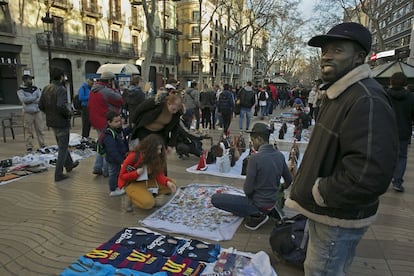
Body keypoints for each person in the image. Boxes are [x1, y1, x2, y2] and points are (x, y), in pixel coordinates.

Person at [285, 22, 399, 275]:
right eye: (325, 50)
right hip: (328, 214)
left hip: (336, 218)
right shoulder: (343, 93)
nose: (326, 55)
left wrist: (320, 192)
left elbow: (369, 174)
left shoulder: (366, 99)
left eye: (337, 50)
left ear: (360, 57)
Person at [211, 122, 292, 230]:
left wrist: (253, 197)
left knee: (216, 199)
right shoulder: (279, 155)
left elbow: (247, 190)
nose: (252, 143)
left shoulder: (255, 159)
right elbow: (289, 179)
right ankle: (263, 211)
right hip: (272, 202)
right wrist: (278, 188)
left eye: (253, 140)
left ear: (259, 139)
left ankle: (257, 215)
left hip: (258, 205)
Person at [39, 68, 79, 182]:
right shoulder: (61, 89)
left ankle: (69, 164)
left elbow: (41, 105)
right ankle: (58, 173)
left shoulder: (46, 88)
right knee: (62, 147)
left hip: (52, 121)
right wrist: (68, 114)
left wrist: (50, 113)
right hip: (61, 121)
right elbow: (61, 105)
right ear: (61, 77)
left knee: (62, 145)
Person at [118, 134, 177, 211]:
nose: (159, 152)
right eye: (157, 149)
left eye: (160, 149)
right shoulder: (134, 156)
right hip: (133, 183)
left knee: (172, 183)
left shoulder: (157, 157)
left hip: (147, 182)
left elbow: (159, 174)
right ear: (149, 148)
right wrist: (136, 173)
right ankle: (131, 197)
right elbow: (122, 176)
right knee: (148, 204)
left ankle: (148, 196)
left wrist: (167, 183)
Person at [88, 71, 124, 176]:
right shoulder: (106, 91)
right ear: (110, 81)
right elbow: (120, 100)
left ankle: (98, 166)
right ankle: (106, 170)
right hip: (106, 120)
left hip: (96, 120)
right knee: (109, 146)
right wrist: (116, 88)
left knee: (101, 143)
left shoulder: (93, 89)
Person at [129, 90, 184, 154]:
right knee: (147, 151)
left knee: (159, 152)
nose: (175, 112)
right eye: (173, 109)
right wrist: (133, 122)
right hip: (144, 129)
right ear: (168, 103)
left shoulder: (176, 114)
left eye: (177, 110)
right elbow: (140, 109)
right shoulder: (156, 102)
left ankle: (157, 163)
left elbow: (175, 129)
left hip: (160, 132)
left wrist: (171, 145)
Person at [387, 72, 414, 192]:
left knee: (385, 155)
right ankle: (397, 182)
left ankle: (383, 179)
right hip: (403, 131)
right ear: (405, 83)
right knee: (402, 156)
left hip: (386, 131)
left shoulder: (384, 95)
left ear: (391, 82)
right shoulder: (411, 97)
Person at [100, 111, 129, 196]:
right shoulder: (108, 135)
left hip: (117, 157)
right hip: (113, 158)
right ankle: (113, 189)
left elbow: (124, 133)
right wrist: (121, 160)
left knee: (116, 172)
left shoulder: (118, 130)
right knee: (113, 173)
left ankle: (117, 186)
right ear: (109, 122)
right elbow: (112, 151)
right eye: (116, 122)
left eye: (120, 121)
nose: (119, 123)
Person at [16, 74, 46, 152]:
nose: (31, 81)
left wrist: (31, 100)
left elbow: (40, 98)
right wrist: (34, 98)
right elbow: (24, 100)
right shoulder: (20, 90)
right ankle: (29, 146)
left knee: (40, 129)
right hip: (28, 113)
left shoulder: (35, 88)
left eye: (31, 79)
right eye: (29, 79)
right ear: (25, 80)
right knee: (28, 130)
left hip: (37, 112)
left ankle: (42, 144)